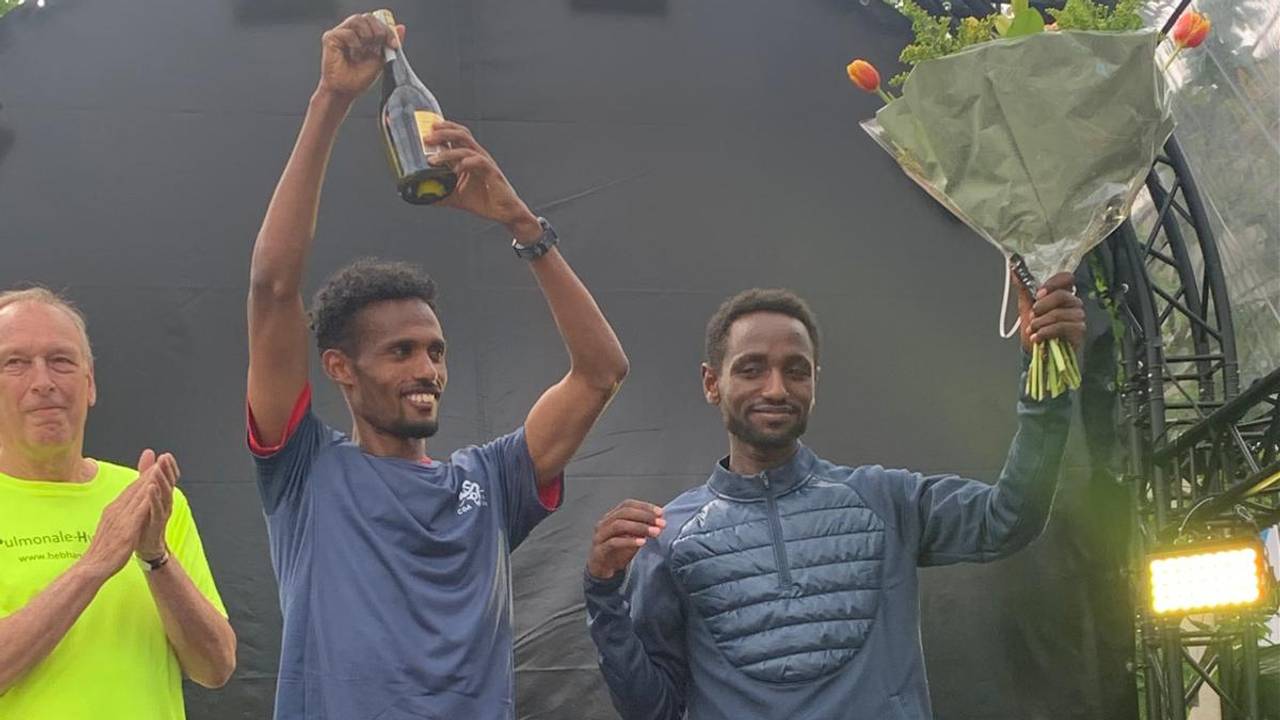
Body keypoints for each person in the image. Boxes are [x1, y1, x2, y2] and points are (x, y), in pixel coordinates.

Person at [246, 12, 629, 720]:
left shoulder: (490, 482)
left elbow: (600, 372)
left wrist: (523, 227)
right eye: (400, 352)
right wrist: (330, 102)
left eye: (435, 351)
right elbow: (273, 288)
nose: (427, 368)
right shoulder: (304, 472)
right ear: (340, 368)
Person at [585, 277, 1084, 719]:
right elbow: (652, 708)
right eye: (752, 368)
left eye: (796, 370)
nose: (776, 388)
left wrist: (1044, 375)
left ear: (815, 382)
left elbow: (1010, 518)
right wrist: (603, 591)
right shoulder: (667, 537)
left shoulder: (886, 500)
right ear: (712, 383)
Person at [0, 287, 235, 720]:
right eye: (15, 363)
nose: (43, 382)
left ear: (89, 385)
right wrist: (93, 566)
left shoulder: (149, 500)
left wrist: (155, 557)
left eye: (61, 361)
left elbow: (216, 667)